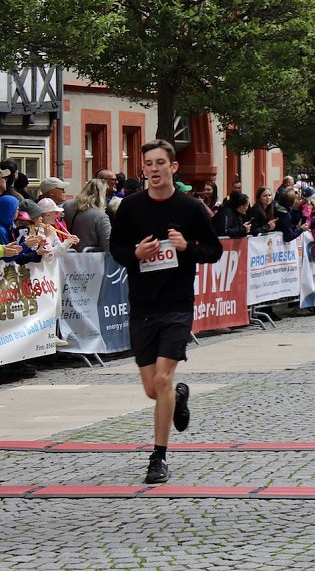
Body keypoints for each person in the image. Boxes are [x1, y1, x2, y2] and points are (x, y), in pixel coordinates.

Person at [110, 139, 223, 484]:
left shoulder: (190, 208)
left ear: (173, 168)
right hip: (142, 306)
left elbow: (215, 250)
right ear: (142, 169)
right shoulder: (130, 207)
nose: (154, 169)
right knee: (152, 389)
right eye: (148, 164)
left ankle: (158, 457)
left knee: (161, 379)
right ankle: (179, 394)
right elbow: (116, 248)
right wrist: (136, 255)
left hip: (176, 305)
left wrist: (187, 248)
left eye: (161, 163)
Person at [62, 179, 112, 251]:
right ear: (101, 195)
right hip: (89, 257)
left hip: (67, 253)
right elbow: (107, 244)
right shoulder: (100, 216)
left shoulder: (67, 205)